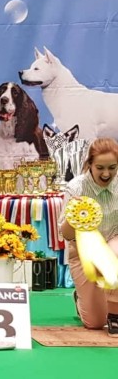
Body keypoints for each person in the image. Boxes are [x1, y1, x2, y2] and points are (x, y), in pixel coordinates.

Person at [60, 137, 118, 337]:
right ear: (90, 165)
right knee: (95, 323)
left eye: (112, 168)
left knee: (113, 254)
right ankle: (80, 299)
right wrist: (73, 216)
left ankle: (115, 314)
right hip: (82, 252)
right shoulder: (76, 188)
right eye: (100, 167)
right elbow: (66, 234)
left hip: (114, 243)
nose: (106, 173)